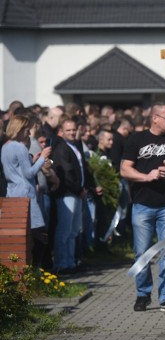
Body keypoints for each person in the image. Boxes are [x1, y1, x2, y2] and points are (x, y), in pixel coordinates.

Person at [120, 103, 165, 313]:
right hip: (142, 205)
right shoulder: (137, 139)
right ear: (155, 118)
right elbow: (125, 169)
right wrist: (147, 177)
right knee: (142, 253)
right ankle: (143, 294)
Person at [1, 115, 52, 267]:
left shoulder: (5, 146)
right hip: (26, 193)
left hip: (12, 192)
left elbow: (17, 169)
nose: (28, 133)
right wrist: (42, 158)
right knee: (39, 236)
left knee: (19, 235)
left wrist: (32, 161)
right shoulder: (20, 147)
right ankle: (34, 271)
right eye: (26, 129)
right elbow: (29, 174)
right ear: (19, 129)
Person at [51, 116, 100, 274]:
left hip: (77, 193)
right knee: (64, 231)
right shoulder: (61, 148)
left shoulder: (74, 146)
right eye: (68, 130)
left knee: (73, 231)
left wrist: (85, 187)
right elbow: (67, 173)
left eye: (73, 129)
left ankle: (70, 262)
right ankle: (61, 263)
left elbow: (81, 170)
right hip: (67, 194)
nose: (72, 132)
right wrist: (78, 189)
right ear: (61, 131)